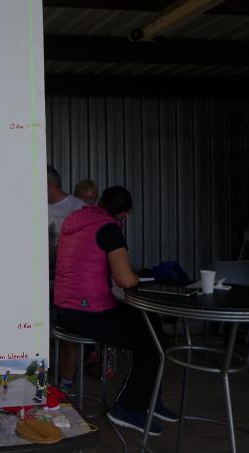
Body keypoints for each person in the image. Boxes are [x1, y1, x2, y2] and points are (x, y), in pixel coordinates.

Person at [54, 186, 177, 436]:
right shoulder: (110, 228)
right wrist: (138, 277)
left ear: (100, 202)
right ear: (125, 213)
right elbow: (124, 279)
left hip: (64, 308)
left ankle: (150, 399)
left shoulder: (76, 219)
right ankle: (127, 408)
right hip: (88, 312)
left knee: (150, 321)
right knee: (153, 342)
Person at [47, 165, 85, 394]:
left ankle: (66, 384)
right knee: (38, 333)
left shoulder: (77, 208)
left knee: (68, 335)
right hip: (38, 284)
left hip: (68, 284)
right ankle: (40, 381)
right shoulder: (31, 205)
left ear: (49, 184)